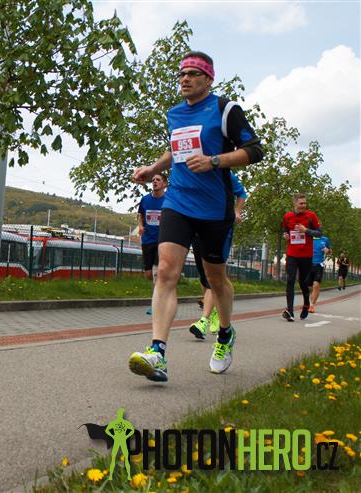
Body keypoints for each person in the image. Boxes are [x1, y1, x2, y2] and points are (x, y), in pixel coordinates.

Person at [129, 51, 263, 382]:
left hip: (214, 208)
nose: (185, 79)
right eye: (181, 74)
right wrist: (153, 168)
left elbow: (255, 150)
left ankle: (225, 334)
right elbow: (176, 149)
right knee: (166, 271)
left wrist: (214, 161)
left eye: (193, 73)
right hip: (178, 201)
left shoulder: (225, 110)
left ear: (208, 79)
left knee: (215, 278)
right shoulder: (175, 113)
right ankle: (157, 353)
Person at [189, 172, 247, 339]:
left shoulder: (223, 173)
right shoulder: (192, 174)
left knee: (213, 277)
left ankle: (203, 321)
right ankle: (215, 311)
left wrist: (237, 211)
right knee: (204, 277)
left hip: (218, 228)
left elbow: (241, 193)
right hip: (196, 228)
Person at [281, 193, 322, 321]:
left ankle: (306, 304)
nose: (304, 205)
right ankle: (290, 311)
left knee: (303, 282)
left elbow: (319, 233)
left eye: (305, 203)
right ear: (295, 203)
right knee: (290, 280)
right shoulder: (287, 216)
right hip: (292, 254)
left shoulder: (311, 216)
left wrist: (306, 231)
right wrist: (285, 235)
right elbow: (285, 230)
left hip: (306, 255)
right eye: (301, 203)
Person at [137, 173, 167, 315]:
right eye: (153, 180)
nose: (154, 182)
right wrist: (141, 226)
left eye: (158, 180)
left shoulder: (169, 200)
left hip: (162, 241)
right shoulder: (145, 200)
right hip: (147, 240)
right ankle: (162, 296)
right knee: (149, 274)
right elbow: (141, 215)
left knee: (156, 272)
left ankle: (156, 304)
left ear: (165, 184)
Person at [308, 234, 331, 312]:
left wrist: (328, 251)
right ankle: (309, 301)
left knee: (316, 285)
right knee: (309, 287)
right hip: (308, 264)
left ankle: (311, 305)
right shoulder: (308, 237)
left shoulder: (325, 239)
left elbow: (329, 251)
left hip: (319, 265)